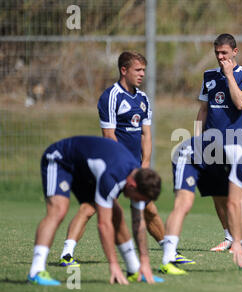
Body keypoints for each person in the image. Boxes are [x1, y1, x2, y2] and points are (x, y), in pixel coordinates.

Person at [58, 52, 194, 272]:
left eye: (143, 70)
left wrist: (145, 164)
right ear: (124, 70)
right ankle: (66, 253)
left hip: (135, 168)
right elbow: (109, 136)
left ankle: (171, 253)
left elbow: (145, 134)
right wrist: (123, 165)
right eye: (138, 70)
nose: (142, 74)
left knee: (149, 209)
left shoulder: (143, 99)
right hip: (112, 165)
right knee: (91, 207)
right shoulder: (111, 96)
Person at [28, 136, 162, 286]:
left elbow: (138, 221)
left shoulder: (136, 176)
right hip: (60, 160)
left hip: (85, 171)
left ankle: (135, 270)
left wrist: (145, 260)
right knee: (59, 210)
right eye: (138, 199)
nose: (137, 202)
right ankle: (36, 271)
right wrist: (114, 264)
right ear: (131, 185)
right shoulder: (112, 177)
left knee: (117, 214)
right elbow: (103, 224)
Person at [159, 131, 242, 275]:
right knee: (184, 203)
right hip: (191, 156)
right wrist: (236, 242)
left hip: (216, 164)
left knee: (234, 204)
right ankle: (167, 260)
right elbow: (232, 204)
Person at [196, 33, 242, 252]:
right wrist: (197, 140)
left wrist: (229, 76)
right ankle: (229, 236)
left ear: (235, 52)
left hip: (236, 142)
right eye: (217, 53)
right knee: (217, 193)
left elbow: (241, 104)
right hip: (211, 143)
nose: (220, 57)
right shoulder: (209, 75)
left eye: (224, 53)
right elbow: (203, 109)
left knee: (237, 193)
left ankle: (239, 238)